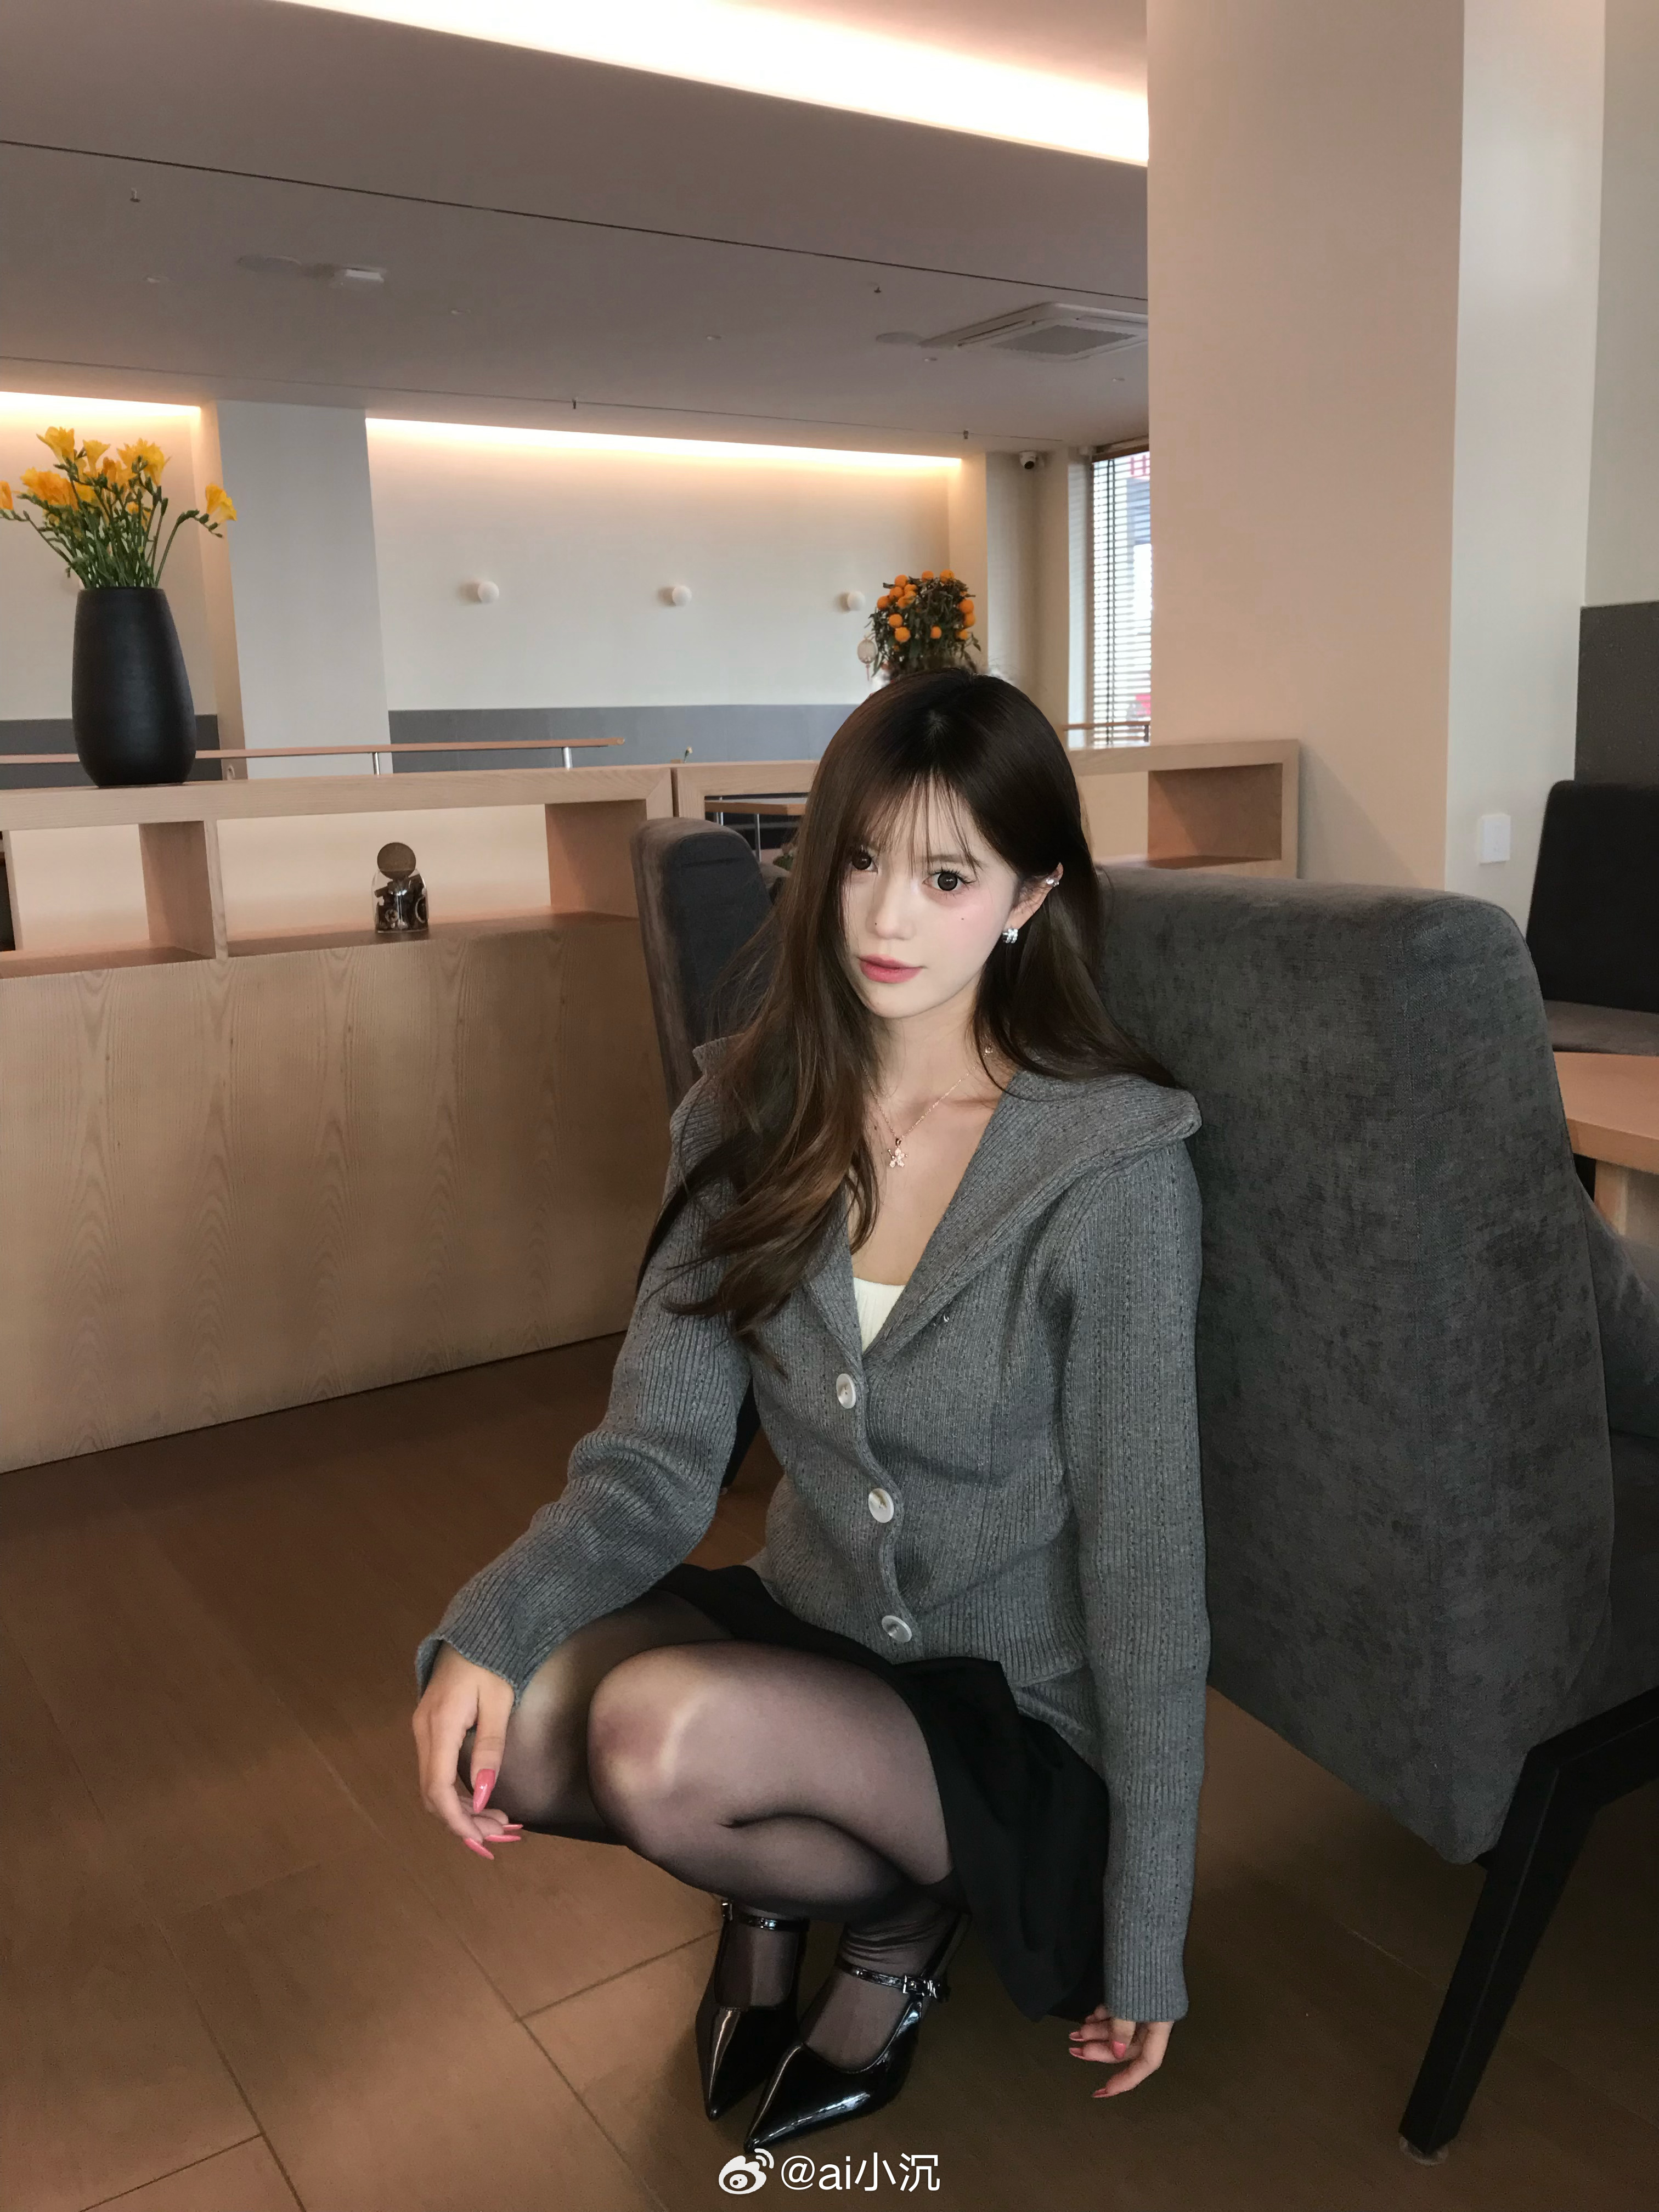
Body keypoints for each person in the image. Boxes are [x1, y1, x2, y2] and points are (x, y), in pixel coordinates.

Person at [411, 669, 1209, 2153]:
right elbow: (655, 1462)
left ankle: (902, 1919)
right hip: (815, 1625)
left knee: (654, 1742)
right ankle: (784, 1888)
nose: (886, 917)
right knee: (518, 1731)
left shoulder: (1111, 1171)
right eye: (859, 860)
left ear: (1032, 897)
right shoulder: (742, 1113)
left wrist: (1148, 1927)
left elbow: (1147, 1568)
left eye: (948, 877)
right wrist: (488, 1630)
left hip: (1012, 1710)